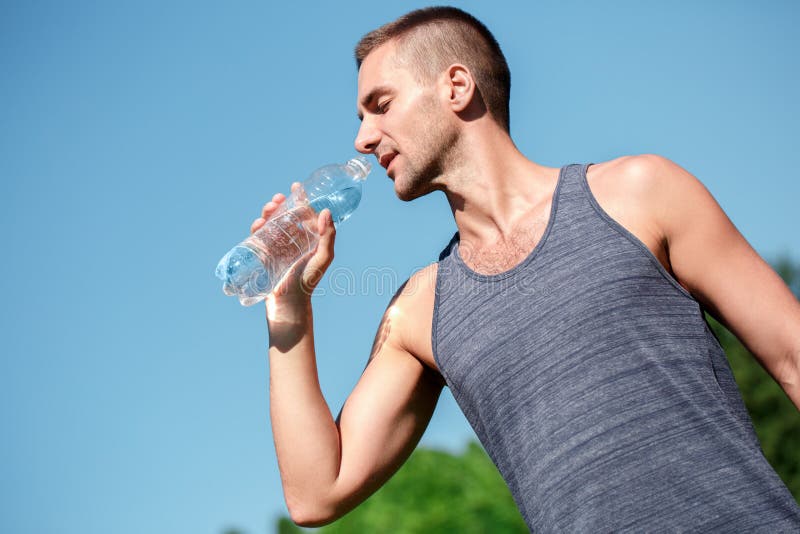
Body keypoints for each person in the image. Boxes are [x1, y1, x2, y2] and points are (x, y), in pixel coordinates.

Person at [253, 6, 800, 531]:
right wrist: (289, 308)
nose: (363, 139)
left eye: (381, 103)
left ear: (457, 86)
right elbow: (314, 494)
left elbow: (791, 354)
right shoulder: (421, 310)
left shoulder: (639, 193)